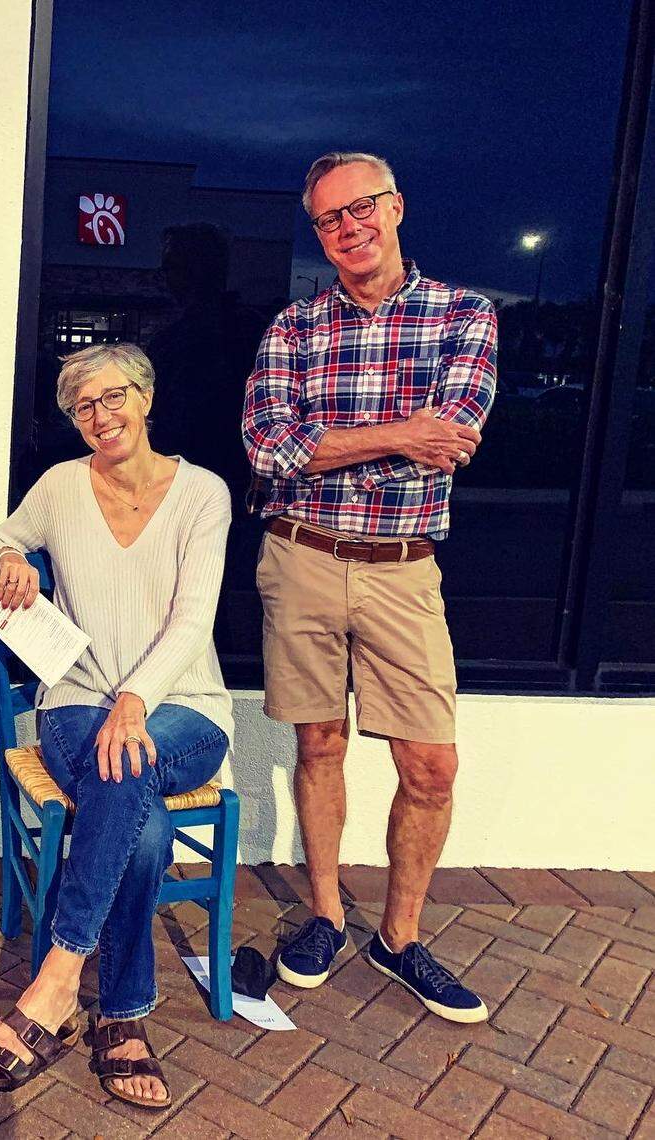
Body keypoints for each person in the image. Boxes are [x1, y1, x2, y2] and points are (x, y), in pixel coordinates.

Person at [242, 151, 497, 1023]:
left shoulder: (464, 313)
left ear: (396, 207)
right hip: (301, 555)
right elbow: (270, 447)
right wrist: (401, 433)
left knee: (431, 763)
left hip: (402, 569)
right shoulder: (295, 326)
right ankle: (322, 914)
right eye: (328, 219)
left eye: (361, 209)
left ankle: (400, 937)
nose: (347, 228)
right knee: (318, 747)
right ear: (318, 232)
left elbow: (454, 434)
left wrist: (339, 438)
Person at [0, 343, 232, 1108]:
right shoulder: (61, 487)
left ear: (145, 396)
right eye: (83, 407)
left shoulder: (203, 494)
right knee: (138, 825)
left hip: (184, 710)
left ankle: (54, 986)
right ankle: (124, 1019)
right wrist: (14, 557)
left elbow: (192, 619)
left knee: (127, 764)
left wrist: (136, 700)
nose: (101, 417)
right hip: (74, 703)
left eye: (113, 398)